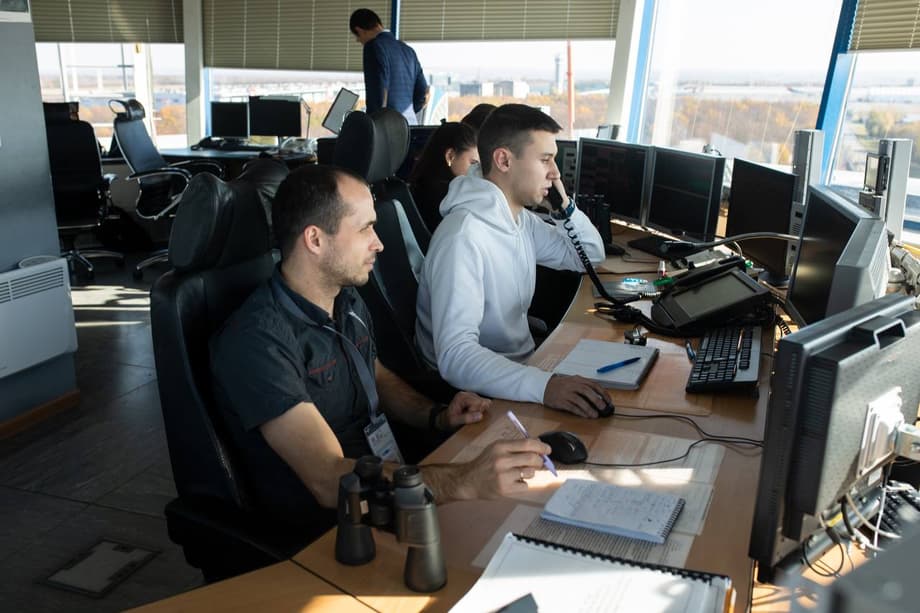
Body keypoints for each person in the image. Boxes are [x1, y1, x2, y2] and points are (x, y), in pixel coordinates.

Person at [210, 164, 550, 546]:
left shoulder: (344, 299)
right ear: (315, 240)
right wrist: (461, 480)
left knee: (530, 515)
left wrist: (436, 415)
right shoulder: (258, 342)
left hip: (391, 487)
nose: (379, 243)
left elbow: (372, 373)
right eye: (365, 229)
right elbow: (326, 479)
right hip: (336, 529)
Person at [416, 104, 611, 418]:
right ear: (504, 160)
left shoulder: (518, 219)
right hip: (480, 393)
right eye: (545, 160)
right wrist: (545, 387)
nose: (555, 173)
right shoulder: (462, 238)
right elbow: (455, 356)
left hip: (524, 370)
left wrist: (564, 206)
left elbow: (586, 256)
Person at [349, 8, 429, 125]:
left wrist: (372, 126)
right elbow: (423, 93)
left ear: (359, 30)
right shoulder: (408, 50)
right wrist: (407, 113)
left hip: (387, 128)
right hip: (409, 126)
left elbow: (377, 94)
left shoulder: (373, 46)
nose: (358, 41)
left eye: (357, 37)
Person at [408, 121, 478, 232]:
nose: (477, 170)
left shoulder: (422, 184)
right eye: (473, 163)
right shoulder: (448, 197)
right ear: (450, 156)